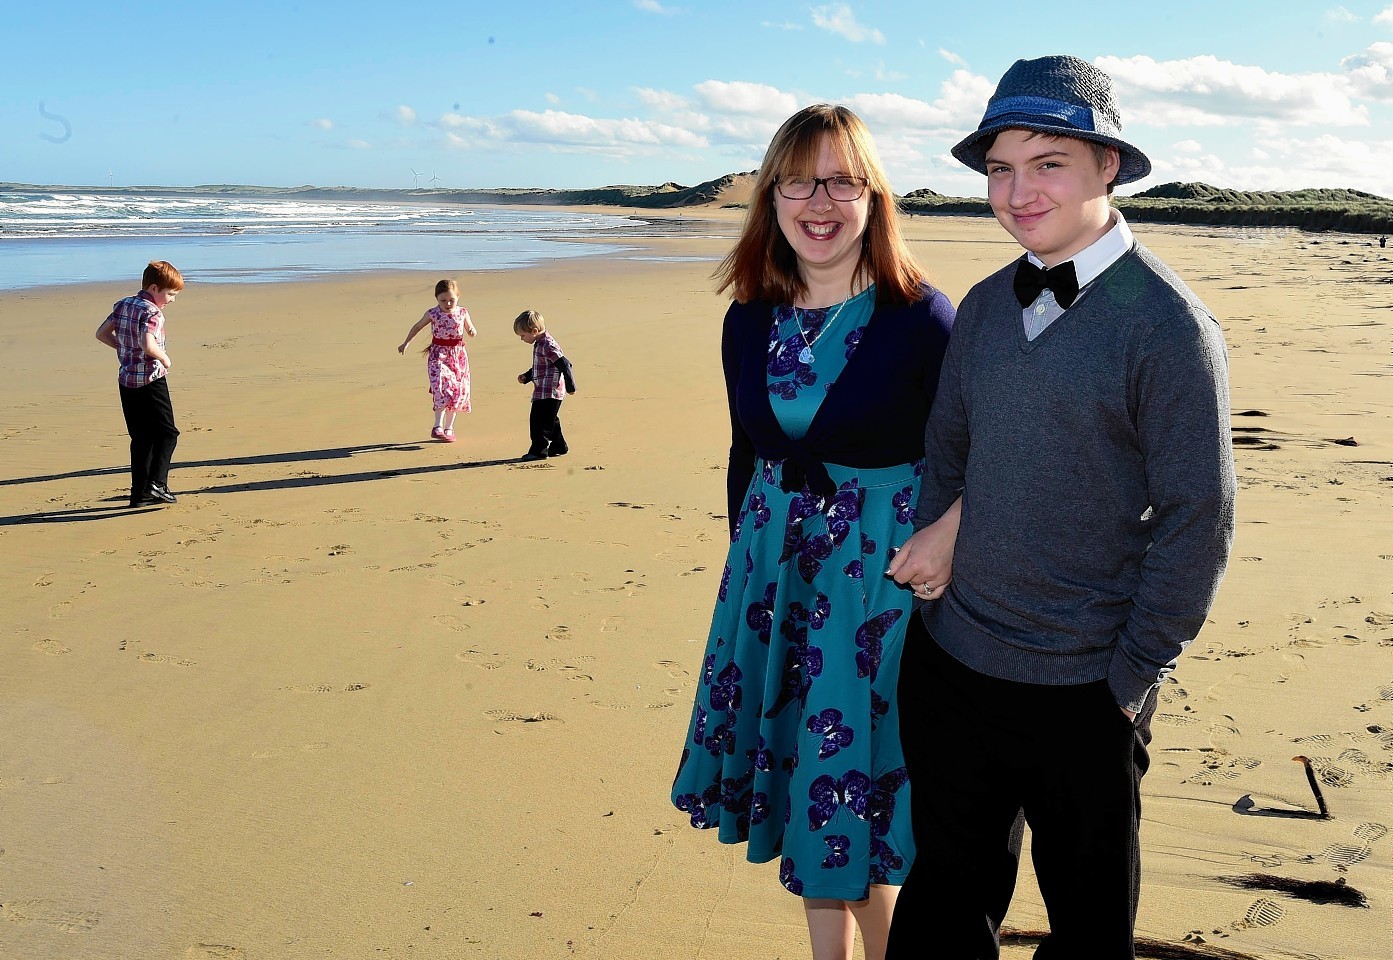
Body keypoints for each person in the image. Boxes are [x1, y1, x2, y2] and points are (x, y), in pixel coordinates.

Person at [885, 56, 1237, 959]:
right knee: (942, 914)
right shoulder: (988, 304)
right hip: (953, 663)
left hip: (1085, 688)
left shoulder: (1166, 326)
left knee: (1086, 935)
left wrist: (1129, 677)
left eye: (1048, 163)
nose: (1017, 190)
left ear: (1105, 166)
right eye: (1001, 168)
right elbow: (949, 453)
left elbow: (1198, 516)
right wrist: (936, 580)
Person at [670, 103, 955, 960]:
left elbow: (976, 457)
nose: (818, 201)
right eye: (798, 180)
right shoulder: (747, 318)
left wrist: (952, 535)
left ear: (873, 198)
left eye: (841, 180)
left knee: (858, 794)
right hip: (774, 585)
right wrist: (745, 574)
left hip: (876, 595)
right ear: (772, 197)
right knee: (810, 787)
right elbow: (742, 452)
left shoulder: (922, 318)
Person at [94, 260, 185, 508]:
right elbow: (148, 344)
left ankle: (139, 494)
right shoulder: (152, 312)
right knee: (167, 433)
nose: (172, 300)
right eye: (170, 294)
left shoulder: (123, 304)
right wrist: (165, 358)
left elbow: (102, 334)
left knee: (141, 438)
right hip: (151, 379)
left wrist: (124, 348)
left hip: (126, 380)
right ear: (154, 288)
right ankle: (157, 484)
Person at [398, 279, 477, 442]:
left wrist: (472, 331)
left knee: (458, 391)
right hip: (438, 355)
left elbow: (469, 328)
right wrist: (406, 343)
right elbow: (418, 326)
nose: (448, 303)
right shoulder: (433, 313)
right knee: (441, 386)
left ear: (458, 297)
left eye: (451, 300)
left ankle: (449, 428)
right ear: (436, 299)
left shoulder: (462, 312)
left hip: (458, 356)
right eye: (443, 300)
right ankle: (438, 426)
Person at [513, 309, 576, 460]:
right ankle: (559, 445)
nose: (522, 339)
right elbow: (543, 365)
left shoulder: (547, 344)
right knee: (550, 420)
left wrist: (570, 385)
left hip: (551, 391)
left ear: (534, 331)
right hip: (542, 389)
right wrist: (527, 376)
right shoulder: (540, 343)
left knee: (538, 422)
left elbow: (565, 364)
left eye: (523, 335)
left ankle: (538, 450)